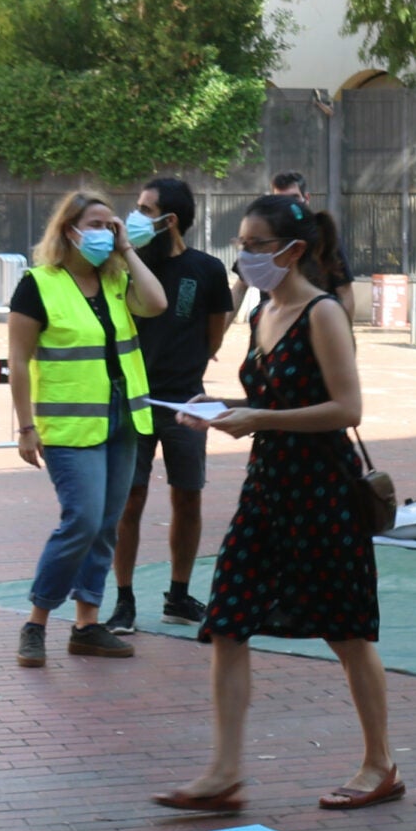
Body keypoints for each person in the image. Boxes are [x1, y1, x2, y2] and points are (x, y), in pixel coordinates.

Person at [154, 194, 400, 813]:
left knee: (346, 631)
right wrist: (217, 413)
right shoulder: (262, 310)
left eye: (256, 246)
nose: (244, 258)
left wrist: (259, 416)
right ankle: (224, 771)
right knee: (228, 622)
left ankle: (380, 763)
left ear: (291, 251)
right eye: (241, 245)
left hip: (323, 491)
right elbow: (262, 399)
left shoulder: (321, 313)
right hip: (267, 488)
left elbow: (348, 410)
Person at [7, 191, 168, 667]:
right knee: (80, 519)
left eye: (110, 223)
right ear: (70, 230)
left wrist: (128, 250)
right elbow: (18, 361)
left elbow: (157, 303)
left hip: (124, 417)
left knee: (105, 524)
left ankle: (87, 624)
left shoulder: (116, 281)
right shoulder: (38, 284)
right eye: (95, 223)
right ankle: (36, 621)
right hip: (70, 422)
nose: (106, 231)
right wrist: (24, 427)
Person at [105, 177, 234, 632]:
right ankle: (123, 600)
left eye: (143, 209)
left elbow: (215, 335)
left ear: (170, 220)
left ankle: (178, 596)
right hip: (132, 401)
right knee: (129, 500)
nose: (132, 217)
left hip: (185, 403)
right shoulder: (122, 266)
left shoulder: (208, 270)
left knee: (188, 496)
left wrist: (188, 371)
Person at [229, 170, 354, 318]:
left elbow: (345, 292)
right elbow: (239, 289)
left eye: (294, 198)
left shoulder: (321, 313)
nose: (287, 206)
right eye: (281, 200)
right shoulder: (261, 237)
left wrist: (343, 331)